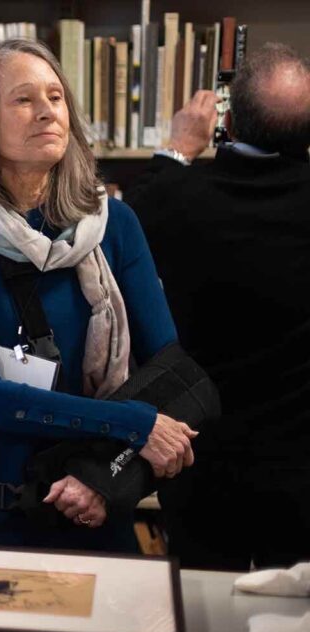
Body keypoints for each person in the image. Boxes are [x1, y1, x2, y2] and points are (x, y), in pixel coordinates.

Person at [0, 39, 195, 551]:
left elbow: (167, 372)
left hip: (91, 508)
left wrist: (103, 476)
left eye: (56, 97)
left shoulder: (114, 224)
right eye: (23, 100)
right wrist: (130, 425)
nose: (47, 112)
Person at [125, 44, 310, 569]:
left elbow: (122, 227)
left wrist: (179, 146)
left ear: (226, 121)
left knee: (205, 617)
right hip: (299, 465)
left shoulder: (177, 198)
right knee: (295, 628)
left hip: (201, 459)